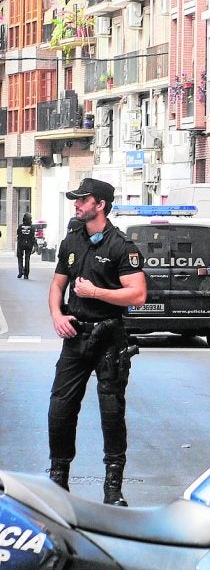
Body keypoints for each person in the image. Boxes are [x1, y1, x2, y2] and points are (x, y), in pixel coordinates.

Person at [47, 178, 147, 505]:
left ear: (100, 204)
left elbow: (138, 294)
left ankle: (113, 488)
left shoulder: (121, 246)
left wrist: (95, 292)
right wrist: (57, 317)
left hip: (109, 337)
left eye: (82, 199)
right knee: (60, 408)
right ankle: (58, 480)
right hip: (75, 334)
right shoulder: (72, 240)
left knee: (111, 411)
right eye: (76, 199)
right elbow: (56, 285)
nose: (77, 204)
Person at [16, 212, 35, 279]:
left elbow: (18, 234)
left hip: (21, 244)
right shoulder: (32, 227)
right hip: (29, 244)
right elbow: (33, 237)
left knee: (20, 257)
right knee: (27, 258)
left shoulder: (20, 226)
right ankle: (26, 274)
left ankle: (20, 272)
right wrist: (34, 246)